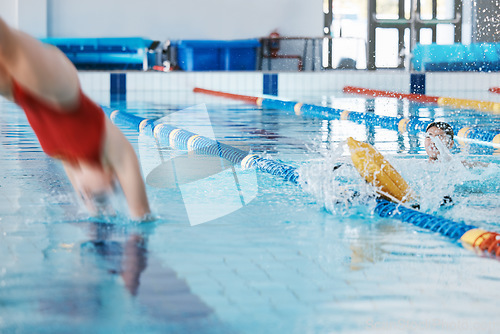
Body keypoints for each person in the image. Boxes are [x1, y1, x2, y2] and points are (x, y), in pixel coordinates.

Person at [0, 18, 150, 220]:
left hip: (22, 95)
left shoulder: (68, 160)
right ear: (111, 175)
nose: (91, 195)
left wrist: (96, 213)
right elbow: (141, 214)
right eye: (101, 196)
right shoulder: (114, 151)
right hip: (60, 90)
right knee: (7, 44)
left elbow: (95, 215)